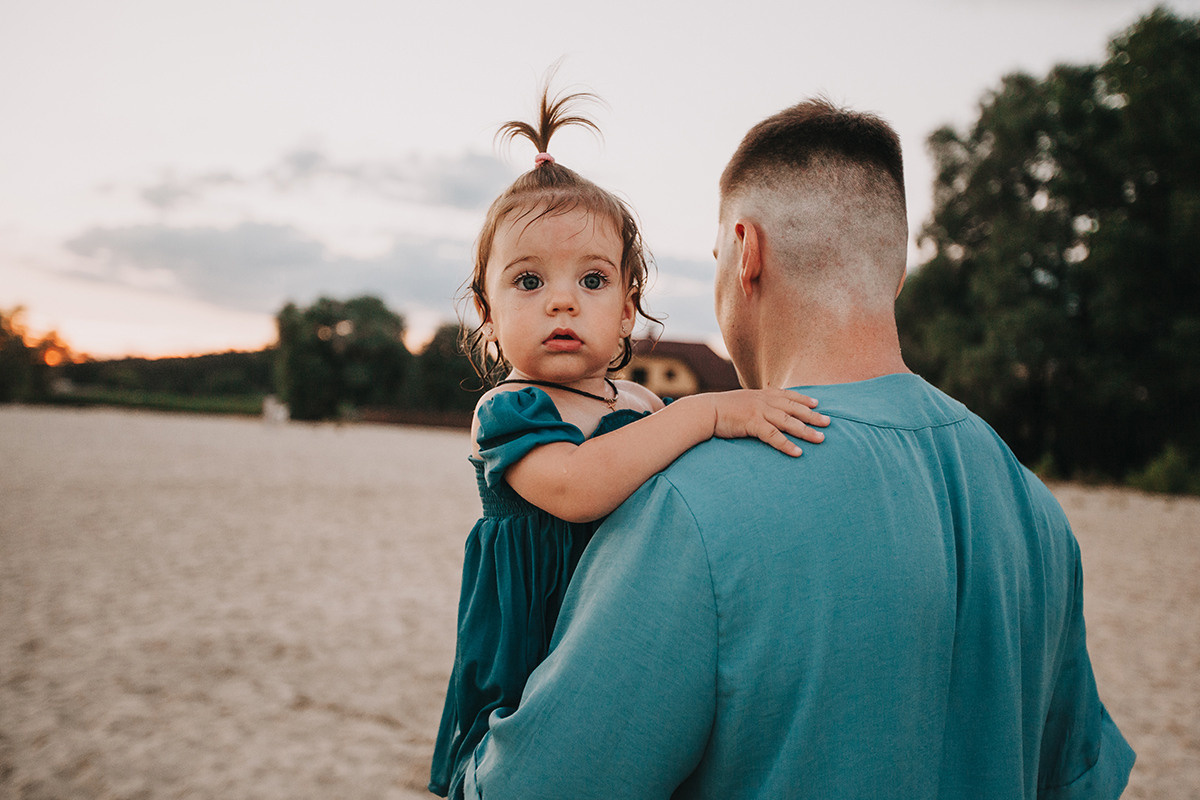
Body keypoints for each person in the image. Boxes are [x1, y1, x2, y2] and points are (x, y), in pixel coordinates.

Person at [457, 98, 1136, 799]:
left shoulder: (692, 506)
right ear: (893, 273)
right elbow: (1079, 780)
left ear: (746, 255)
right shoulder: (1035, 508)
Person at [428, 84, 830, 799]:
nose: (562, 300)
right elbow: (580, 488)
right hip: (534, 653)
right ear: (487, 313)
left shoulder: (643, 404)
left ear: (626, 310)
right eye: (528, 281)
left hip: (627, 634)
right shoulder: (508, 410)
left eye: (592, 279)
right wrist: (708, 414)